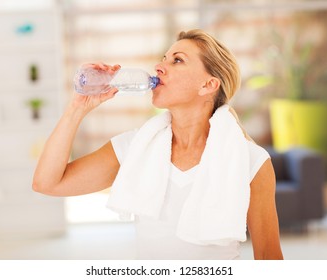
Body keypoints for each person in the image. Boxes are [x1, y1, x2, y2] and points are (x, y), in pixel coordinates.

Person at [33, 29, 283, 260]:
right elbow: (47, 183)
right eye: (164, 58)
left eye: (177, 60)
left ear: (208, 85)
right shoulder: (136, 147)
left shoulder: (249, 161)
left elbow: (268, 258)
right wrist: (78, 107)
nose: (158, 67)